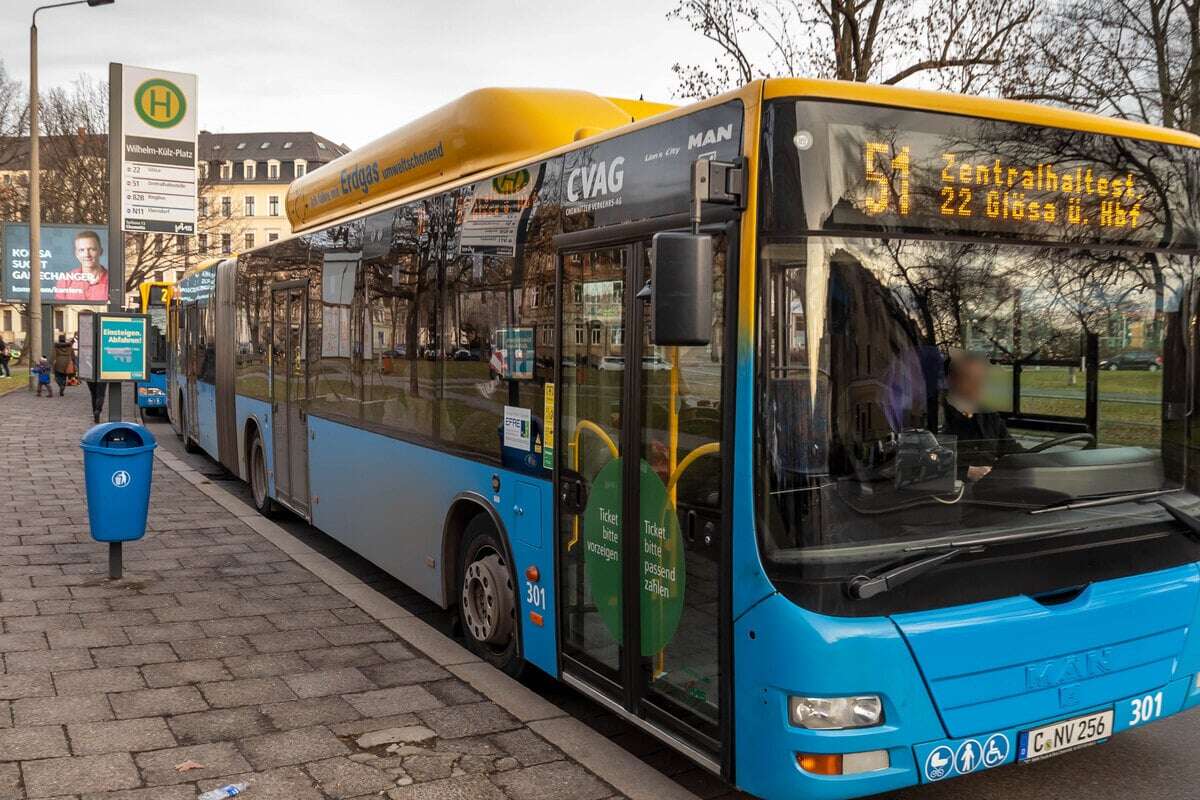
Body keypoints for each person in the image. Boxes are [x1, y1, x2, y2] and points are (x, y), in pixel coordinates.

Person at [940, 351, 1024, 481]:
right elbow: (922, 462)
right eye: (971, 379)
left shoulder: (988, 413)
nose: (978, 385)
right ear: (951, 381)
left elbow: (1011, 449)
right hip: (950, 496)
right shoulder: (937, 415)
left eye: (982, 379)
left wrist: (1044, 461)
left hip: (989, 491)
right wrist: (965, 472)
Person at [53, 230, 109, 303]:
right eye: (82, 250)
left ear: (101, 251)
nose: (87, 255)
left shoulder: (112, 280)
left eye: (92, 249)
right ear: (76, 254)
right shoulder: (65, 280)